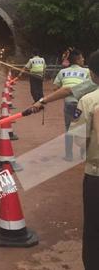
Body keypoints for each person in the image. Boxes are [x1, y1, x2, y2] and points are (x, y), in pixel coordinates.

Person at [68, 50, 99, 269]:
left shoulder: (88, 101)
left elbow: (78, 143)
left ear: (93, 74)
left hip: (96, 176)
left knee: (94, 231)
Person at [53, 49, 90, 161]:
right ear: (78, 59)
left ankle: (69, 155)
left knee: (68, 130)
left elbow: (55, 88)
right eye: (82, 57)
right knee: (84, 129)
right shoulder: (87, 71)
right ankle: (83, 154)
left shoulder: (62, 72)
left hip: (69, 103)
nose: (83, 59)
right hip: (82, 103)